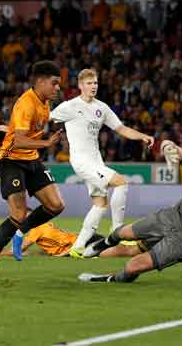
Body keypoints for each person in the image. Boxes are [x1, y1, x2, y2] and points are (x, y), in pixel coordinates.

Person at [77, 140, 182, 283]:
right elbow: (170, 145)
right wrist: (167, 147)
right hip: (172, 217)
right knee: (124, 233)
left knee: (133, 266)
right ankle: (104, 243)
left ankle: (110, 278)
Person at [49, 68, 154, 258]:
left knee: (100, 204)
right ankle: (118, 233)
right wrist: (16, 128)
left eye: (95, 83)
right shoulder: (69, 106)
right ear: (81, 86)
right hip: (81, 161)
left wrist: (142, 136)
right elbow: (43, 119)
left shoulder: (102, 108)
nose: (93, 86)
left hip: (95, 161)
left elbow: (120, 128)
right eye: (89, 83)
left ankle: (78, 247)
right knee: (121, 182)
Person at [0, 60, 65, 280]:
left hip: (31, 160)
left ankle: (20, 232)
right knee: (17, 213)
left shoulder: (44, 102)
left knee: (56, 205)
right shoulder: (26, 103)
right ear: (41, 81)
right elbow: (18, 141)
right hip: (11, 161)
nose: (57, 88)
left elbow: (26, 130)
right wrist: (47, 144)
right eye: (54, 83)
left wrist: (9, 129)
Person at [0, 220, 139, 259]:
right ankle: (138, 242)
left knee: (122, 251)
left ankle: (143, 245)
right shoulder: (43, 226)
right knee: (121, 247)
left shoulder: (36, 230)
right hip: (82, 240)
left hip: (82, 245)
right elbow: (52, 245)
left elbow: (18, 250)